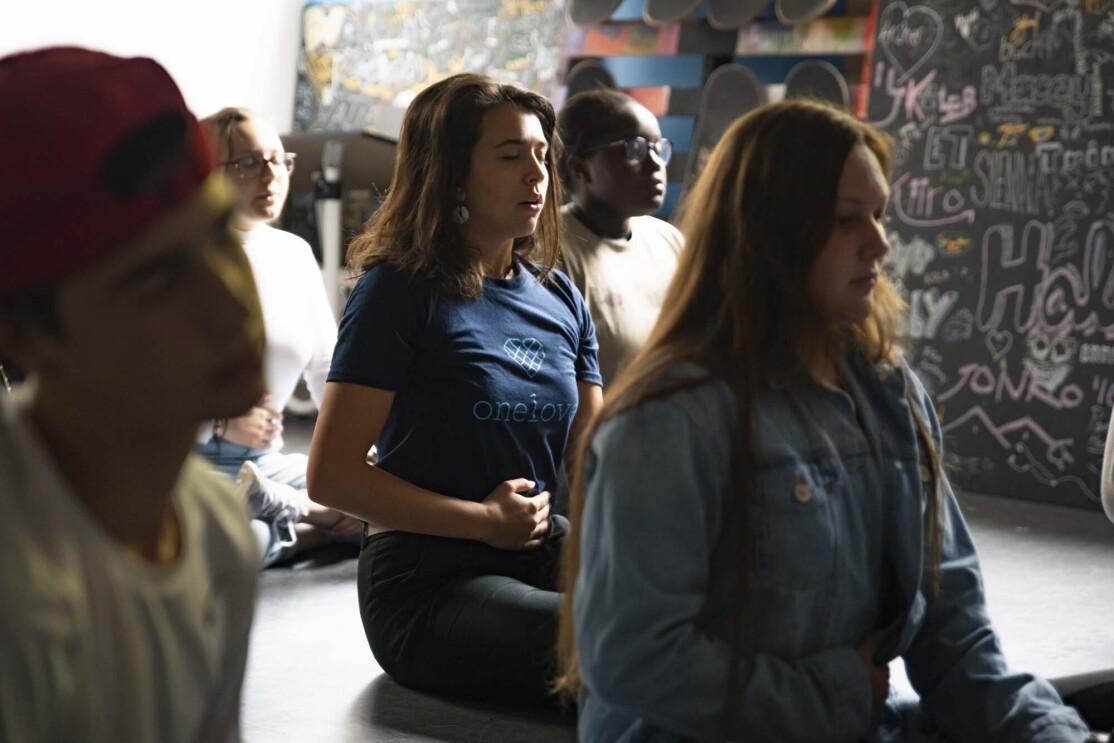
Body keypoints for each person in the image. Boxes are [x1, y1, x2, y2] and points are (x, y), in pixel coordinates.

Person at [557, 99, 1094, 742]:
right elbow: (633, 660)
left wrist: (1051, 735)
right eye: (846, 220)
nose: (881, 242)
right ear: (769, 234)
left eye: (878, 214)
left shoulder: (893, 396)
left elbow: (956, 640)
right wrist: (834, 693)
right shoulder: (669, 419)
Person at [306, 72, 603, 706]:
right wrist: (483, 521)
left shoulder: (559, 298)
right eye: (509, 155)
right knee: (614, 641)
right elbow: (330, 477)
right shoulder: (398, 291)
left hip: (537, 546)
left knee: (687, 611)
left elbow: (597, 457)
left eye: (542, 156)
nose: (537, 174)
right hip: (426, 579)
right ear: (454, 175)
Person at [0, 47, 262, 742]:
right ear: (25, 336)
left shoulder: (216, 533)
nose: (229, 302)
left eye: (219, 236)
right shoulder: (18, 595)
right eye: (156, 280)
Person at [197, 107, 360, 567]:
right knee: (216, 552)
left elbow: (330, 370)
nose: (271, 175)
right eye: (248, 163)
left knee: (395, 514)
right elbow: (131, 386)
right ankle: (313, 520)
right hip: (186, 466)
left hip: (267, 466)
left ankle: (294, 513)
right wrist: (217, 425)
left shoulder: (293, 254)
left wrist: (360, 460)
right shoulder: (178, 256)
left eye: (278, 160)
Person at [557, 89, 683, 386]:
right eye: (634, 149)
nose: (656, 165)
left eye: (658, 148)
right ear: (579, 167)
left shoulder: (669, 242)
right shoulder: (550, 249)